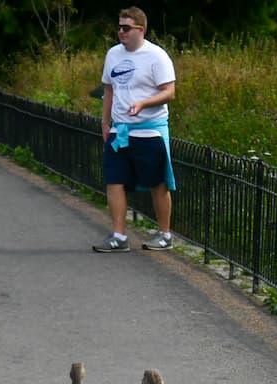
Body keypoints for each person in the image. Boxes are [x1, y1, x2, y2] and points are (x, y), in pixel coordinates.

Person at [93, 6, 176, 253]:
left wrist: (143, 103)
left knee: (157, 183)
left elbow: (169, 92)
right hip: (121, 132)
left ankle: (164, 234)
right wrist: (105, 123)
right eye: (119, 27)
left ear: (141, 29)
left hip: (149, 130)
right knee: (114, 180)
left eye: (126, 27)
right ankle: (119, 235)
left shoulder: (156, 56)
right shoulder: (113, 55)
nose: (121, 32)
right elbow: (108, 89)